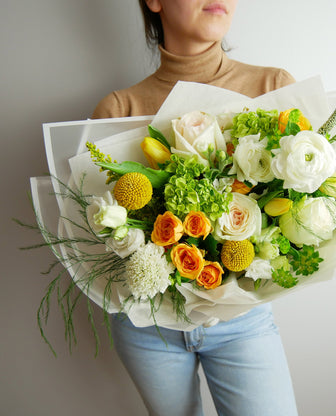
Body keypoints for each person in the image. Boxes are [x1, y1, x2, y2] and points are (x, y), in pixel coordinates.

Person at [93, 1, 298, 415]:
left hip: (241, 322)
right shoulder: (119, 110)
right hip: (147, 326)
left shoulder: (273, 86)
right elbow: (103, 232)